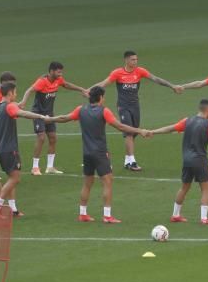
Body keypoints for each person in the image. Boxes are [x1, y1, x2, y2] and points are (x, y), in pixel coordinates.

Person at [49, 86, 147, 223]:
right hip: (100, 153)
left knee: (87, 183)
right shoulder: (104, 111)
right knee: (108, 182)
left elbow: (64, 118)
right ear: (100, 97)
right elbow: (120, 126)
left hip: (87, 153)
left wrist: (49, 119)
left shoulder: (81, 110)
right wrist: (139, 130)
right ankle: (107, 216)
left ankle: (82, 213)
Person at [93, 50, 183, 173]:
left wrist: (172, 86)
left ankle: (127, 160)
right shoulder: (118, 73)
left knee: (134, 132)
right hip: (123, 106)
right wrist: (90, 90)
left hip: (135, 106)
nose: (135, 62)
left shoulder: (140, 71)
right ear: (126, 60)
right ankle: (132, 162)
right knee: (129, 131)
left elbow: (155, 79)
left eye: (136, 59)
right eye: (133, 60)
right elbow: (103, 83)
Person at [0, 83, 52, 218]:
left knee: (11, 179)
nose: (16, 95)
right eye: (15, 92)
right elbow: (22, 113)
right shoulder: (10, 106)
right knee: (15, 179)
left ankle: (13, 209)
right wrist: (41, 117)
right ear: (9, 93)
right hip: (10, 150)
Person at [19, 61, 88, 176]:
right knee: (41, 138)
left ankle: (50, 167)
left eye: (61, 72)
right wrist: (23, 101)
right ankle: (35, 167)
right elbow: (29, 90)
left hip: (50, 114)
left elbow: (66, 84)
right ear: (51, 71)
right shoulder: (42, 81)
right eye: (58, 72)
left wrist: (81, 89)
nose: (60, 74)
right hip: (38, 113)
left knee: (53, 138)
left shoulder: (58, 80)